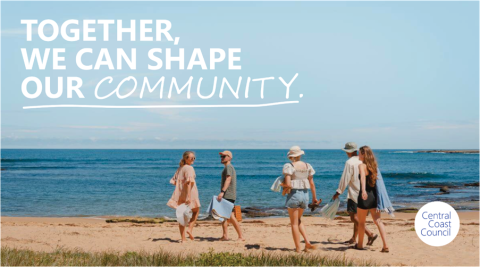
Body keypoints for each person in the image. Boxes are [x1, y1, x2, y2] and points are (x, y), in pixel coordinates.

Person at [332, 142, 377, 245]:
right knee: (359, 216)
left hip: (354, 194)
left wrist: (338, 192)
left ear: (348, 152)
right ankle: (353, 238)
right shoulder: (364, 161)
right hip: (366, 193)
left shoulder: (349, 162)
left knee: (354, 217)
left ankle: (370, 234)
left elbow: (345, 179)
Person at [282, 146, 319, 253]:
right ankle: (307, 242)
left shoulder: (289, 166)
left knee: (293, 223)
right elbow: (312, 184)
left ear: (291, 156)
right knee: (298, 220)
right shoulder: (308, 166)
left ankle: (298, 248)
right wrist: (314, 198)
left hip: (294, 194)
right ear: (300, 155)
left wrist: (282, 186)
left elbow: (288, 184)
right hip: (305, 195)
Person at [355, 146, 389, 252]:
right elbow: (378, 185)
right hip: (374, 197)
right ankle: (385, 245)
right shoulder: (374, 167)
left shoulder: (362, 166)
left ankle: (360, 245)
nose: (358, 155)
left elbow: (363, 178)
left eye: (359, 153)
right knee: (378, 221)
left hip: (365, 196)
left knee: (361, 222)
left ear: (363, 154)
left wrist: (364, 191)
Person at [167, 151, 201, 242]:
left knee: (181, 216)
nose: (193, 159)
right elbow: (189, 182)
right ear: (186, 158)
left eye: (194, 158)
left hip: (180, 194)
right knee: (196, 211)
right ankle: (190, 229)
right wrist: (189, 196)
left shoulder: (180, 168)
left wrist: (182, 188)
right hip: (190, 193)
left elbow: (175, 182)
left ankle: (183, 239)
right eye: (191, 158)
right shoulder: (189, 168)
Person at [217, 150, 245, 241]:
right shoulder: (228, 167)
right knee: (224, 216)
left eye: (224, 156)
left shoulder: (228, 167)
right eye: (221, 157)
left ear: (229, 157)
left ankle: (241, 236)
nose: (222, 158)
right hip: (228, 194)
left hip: (228, 195)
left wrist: (222, 192)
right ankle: (225, 235)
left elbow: (228, 179)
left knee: (230, 216)